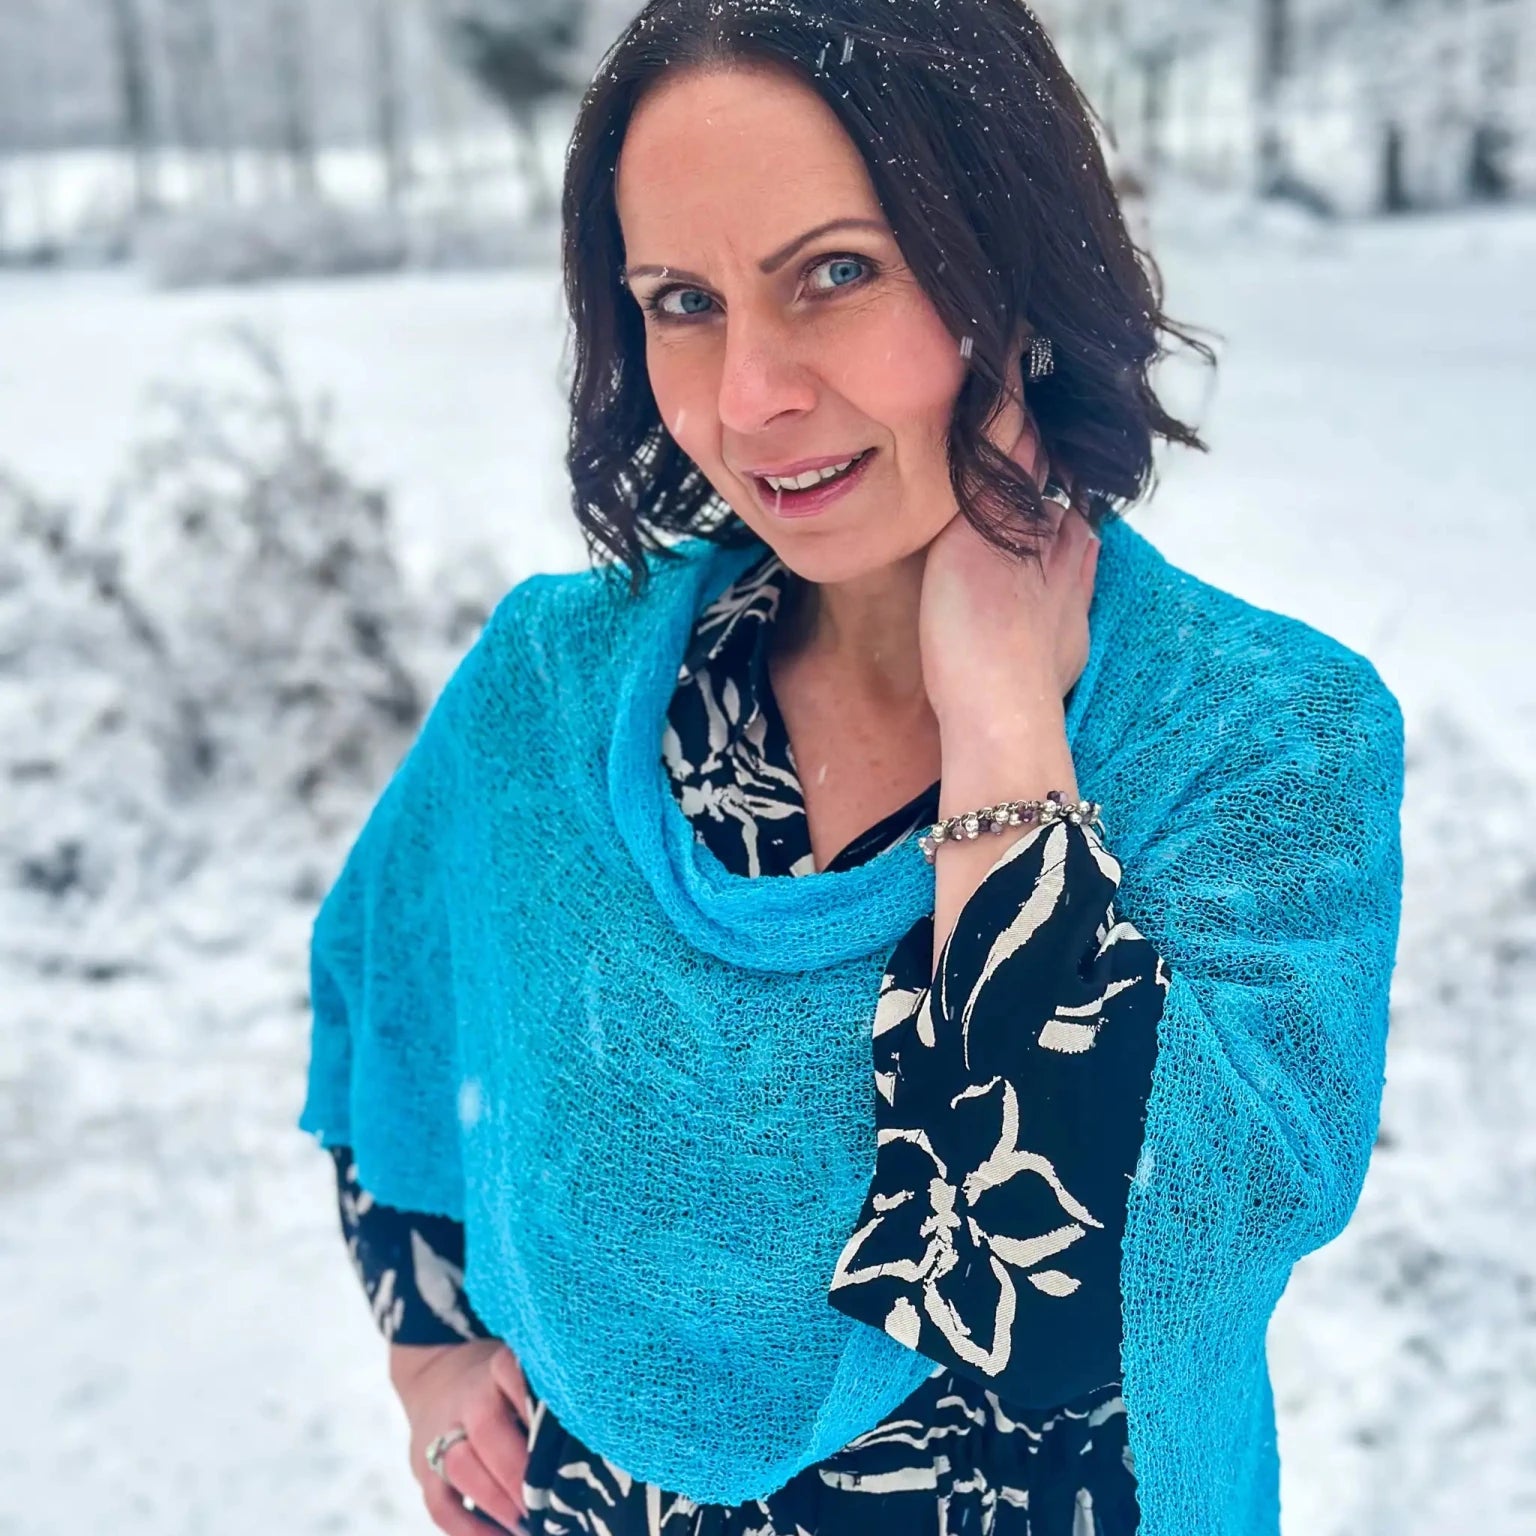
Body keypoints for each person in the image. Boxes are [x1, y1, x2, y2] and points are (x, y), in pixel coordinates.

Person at [298, 4, 1404, 1535]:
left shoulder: (1258, 735)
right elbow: (395, 1012)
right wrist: (429, 1356)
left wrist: (1001, 725)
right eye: (683, 302)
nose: (746, 395)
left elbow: (1097, 1292)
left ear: (1008, 266)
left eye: (835, 273)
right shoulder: (553, 690)